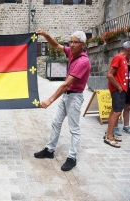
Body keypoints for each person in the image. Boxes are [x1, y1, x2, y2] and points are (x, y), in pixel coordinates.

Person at [34, 29, 91, 171]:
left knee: (74, 129)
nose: (72, 45)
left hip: (75, 97)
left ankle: (72, 157)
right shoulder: (72, 52)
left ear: (83, 44)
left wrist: (50, 100)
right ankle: (49, 150)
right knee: (56, 122)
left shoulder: (83, 61)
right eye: (71, 41)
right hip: (66, 95)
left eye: (75, 42)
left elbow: (66, 83)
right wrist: (46, 35)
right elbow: (56, 46)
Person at [105, 41, 130, 148]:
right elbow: (109, 75)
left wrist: (127, 80)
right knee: (116, 112)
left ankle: (109, 133)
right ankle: (110, 136)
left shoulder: (124, 60)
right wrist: (119, 87)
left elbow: (119, 75)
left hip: (120, 90)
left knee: (114, 111)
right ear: (129, 49)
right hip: (118, 90)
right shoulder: (119, 57)